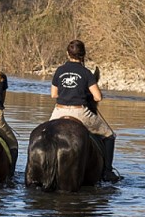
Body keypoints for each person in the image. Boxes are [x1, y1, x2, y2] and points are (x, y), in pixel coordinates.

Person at [50, 39, 120, 182]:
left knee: (47, 134)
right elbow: (98, 97)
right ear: (83, 55)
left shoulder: (59, 70)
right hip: (79, 112)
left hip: (59, 111)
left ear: (67, 54)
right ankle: (107, 171)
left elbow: (54, 94)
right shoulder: (86, 72)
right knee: (109, 135)